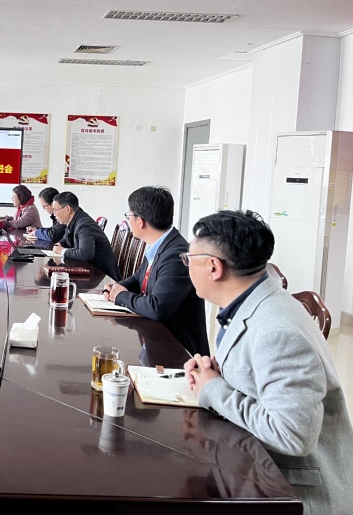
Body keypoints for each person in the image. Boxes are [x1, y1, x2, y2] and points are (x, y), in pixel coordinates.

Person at [183, 210, 353, 514]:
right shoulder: (255, 299)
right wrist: (217, 374)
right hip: (249, 463)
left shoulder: (277, 331)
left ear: (214, 267)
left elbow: (293, 436)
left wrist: (215, 389)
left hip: (287, 490)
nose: (186, 266)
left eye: (188, 259)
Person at [104, 186, 208, 356]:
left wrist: (121, 296)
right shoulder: (160, 245)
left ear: (140, 221)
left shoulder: (176, 254)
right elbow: (138, 278)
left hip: (179, 353)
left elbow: (157, 308)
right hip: (157, 341)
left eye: (129, 216)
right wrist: (117, 288)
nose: (128, 220)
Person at [51, 191, 120, 279]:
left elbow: (85, 254)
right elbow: (65, 238)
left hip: (102, 277)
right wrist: (59, 244)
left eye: (55, 210)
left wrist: (62, 251)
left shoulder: (85, 225)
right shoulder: (75, 220)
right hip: (90, 273)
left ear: (68, 209)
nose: (54, 214)